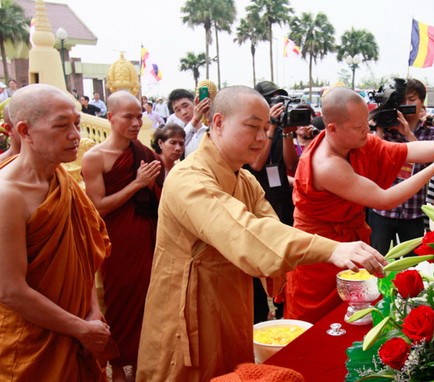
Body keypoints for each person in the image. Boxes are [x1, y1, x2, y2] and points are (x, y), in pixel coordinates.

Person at [136, 86, 386, 382]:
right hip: (187, 315)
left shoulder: (243, 179)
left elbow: (272, 229)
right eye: (252, 126)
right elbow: (244, 232)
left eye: (265, 128)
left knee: (234, 370)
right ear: (218, 122)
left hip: (232, 305)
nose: (260, 137)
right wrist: (333, 249)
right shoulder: (188, 179)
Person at [286, 87, 434, 323]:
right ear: (332, 129)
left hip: (350, 241)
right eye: (359, 128)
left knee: (354, 312)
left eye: (367, 124)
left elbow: (405, 150)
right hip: (320, 252)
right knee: (316, 322)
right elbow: (385, 199)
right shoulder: (326, 165)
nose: (367, 131)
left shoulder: (353, 142)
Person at [0, 83, 112, 381]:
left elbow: (84, 255)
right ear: (24, 131)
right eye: (62, 126)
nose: (76, 135)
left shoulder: (62, 179)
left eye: (77, 123)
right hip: (33, 344)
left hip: (79, 330)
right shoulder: (7, 195)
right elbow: (11, 291)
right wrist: (80, 328)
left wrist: (92, 313)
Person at [82, 91, 163, 382]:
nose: (136, 122)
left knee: (149, 299)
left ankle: (145, 358)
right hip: (116, 239)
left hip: (147, 235)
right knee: (118, 299)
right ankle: (116, 364)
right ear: (110, 117)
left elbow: (162, 194)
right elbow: (98, 207)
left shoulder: (145, 154)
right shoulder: (94, 158)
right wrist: (137, 184)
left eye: (139, 116)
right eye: (128, 116)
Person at [368, 79, 434, 256]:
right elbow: (372, 161)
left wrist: (408, 135)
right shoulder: (386, 130)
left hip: (414, 212)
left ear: (422, 102)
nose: (407, 105)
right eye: (402, 101)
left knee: (413, 267)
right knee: (376, 260)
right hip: (381, 211)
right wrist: (379, 128)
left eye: (412, 99)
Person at [245, 81, 298, 322]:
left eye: (281, 101)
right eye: (273, 101)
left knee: (286, 258)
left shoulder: (280, 129)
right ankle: (266, 307)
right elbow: (256, 163)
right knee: (265, 262)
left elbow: (289, 164)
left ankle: (283, 308)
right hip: (260, 201)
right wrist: (271, 127)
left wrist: (286, 131)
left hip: (283, 202)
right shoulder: (256, 131)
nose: (278, 106)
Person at [166, 88, 210, 156]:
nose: (184, 112)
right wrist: (195, 120)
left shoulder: (208, 129)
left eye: (186, 106)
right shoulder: (180, 136)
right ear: (175, 115)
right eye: (178, 110)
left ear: (194, 103)